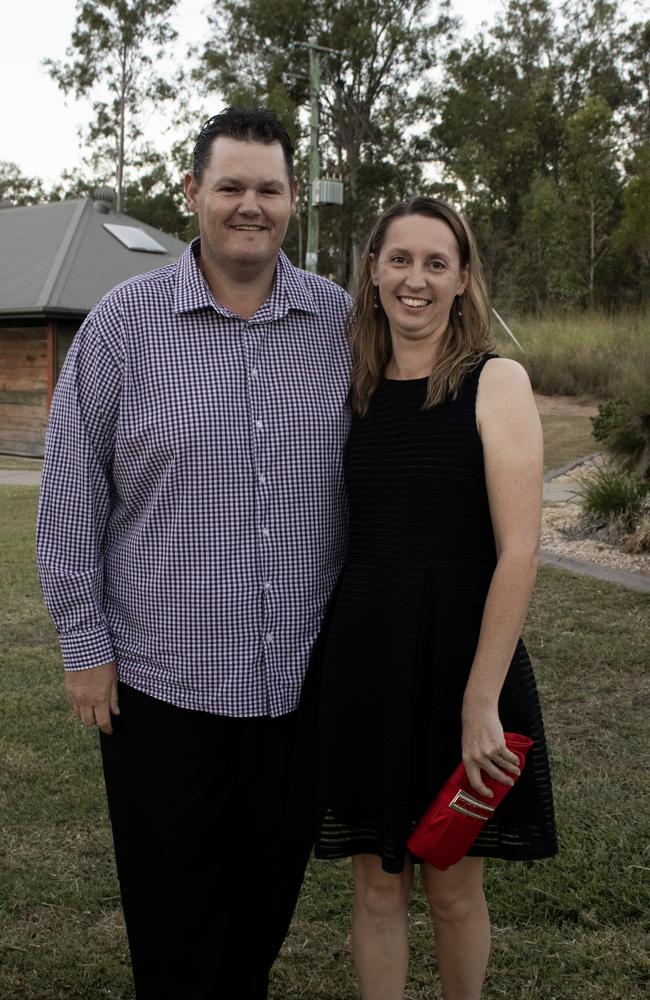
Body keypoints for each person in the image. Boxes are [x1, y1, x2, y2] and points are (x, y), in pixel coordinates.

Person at [36, 107, 351, 1000]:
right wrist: (86, 650)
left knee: (259, 924)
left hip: (297, 687)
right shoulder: (123, 326)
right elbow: (67, 499)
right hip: (158, 690)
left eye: (268, 188)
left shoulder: (337, 324)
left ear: (292, 200)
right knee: (174, 931)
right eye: (231, 187)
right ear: (193, 196)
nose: (250, 205)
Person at [295, 196, 558, 1000]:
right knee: (377, 887)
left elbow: (519, 548)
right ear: (372, 273)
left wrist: (481, 699)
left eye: (435, 263)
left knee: (450, 885)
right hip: (368, 658)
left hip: (460, 662)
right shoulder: (352, 387)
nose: (416, 279)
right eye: (399, 260)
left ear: (462, 279)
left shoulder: (494, 382)